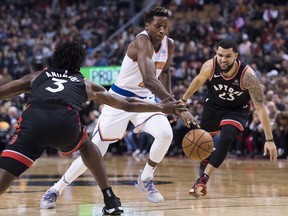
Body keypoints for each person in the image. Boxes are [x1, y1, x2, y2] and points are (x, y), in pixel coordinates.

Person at [0, 41, 189, 215]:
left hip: (34, 120)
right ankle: (110, 199)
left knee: (7, 171)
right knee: (87, 147)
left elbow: (3, 92)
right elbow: (128, 104)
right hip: (64, 123)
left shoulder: (37, 76)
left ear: (54, 60)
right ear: (79, 64)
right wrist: (161, 107)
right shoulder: (86, 84)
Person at [40, 6, 196, 208]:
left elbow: (164, 72)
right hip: (119, 100)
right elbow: (149, 78)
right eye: (158, 25)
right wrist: (177, 107)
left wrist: (166, 102)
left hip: (146, 99)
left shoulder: (170, 44)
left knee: (166, 134)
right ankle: (56, 189)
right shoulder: (141, 41)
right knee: (95, 151)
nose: (162, 30)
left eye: (166, 26)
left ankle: (145, 178)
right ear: (147, 26)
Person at [181, 38, 278, 198]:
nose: (223, 59)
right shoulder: (210, 66)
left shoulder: (248, 76)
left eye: (227, 56)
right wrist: (183, 100)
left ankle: (203, 180)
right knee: (204, 146)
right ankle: (200, 179)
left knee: (227, 135)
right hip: (213, 106)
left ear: (236, 56)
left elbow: (260, 107)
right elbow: (198, 80)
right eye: (220, 55)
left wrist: (269, 139)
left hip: (237, 110)